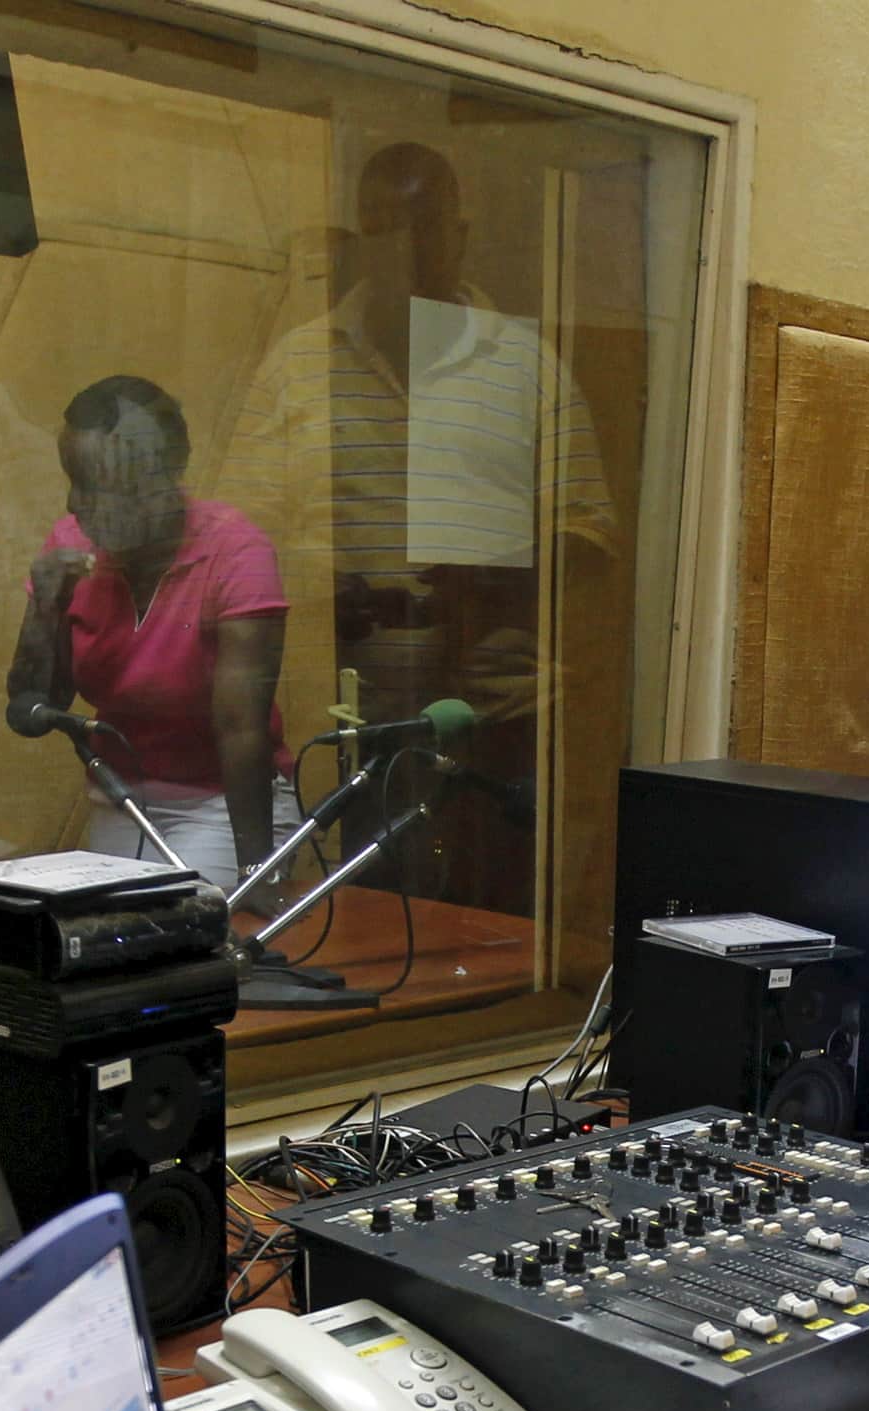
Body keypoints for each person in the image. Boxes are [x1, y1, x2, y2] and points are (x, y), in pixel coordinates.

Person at [210, 142, 615, 910]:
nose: (405, 248)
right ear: (363, 238)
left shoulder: (527, 365)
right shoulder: (298, 364)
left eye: (422, 227)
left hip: (496, 723)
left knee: (493, 947)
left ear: (458, 234)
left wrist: (490, 575)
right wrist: (333, 591)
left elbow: (589, 537)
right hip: (352, 730)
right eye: (385, 229)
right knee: (364, 937)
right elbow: (241, 541)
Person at [0, 376, 294, 886]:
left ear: (152, 481)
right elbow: (33, 709)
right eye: (71, 479)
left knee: (182, 921)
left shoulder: (236, 552)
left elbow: (241, 728)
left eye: (91, 483)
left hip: (224, 806)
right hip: (122, 802)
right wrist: (46, 607)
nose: (72, 504)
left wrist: (255, 871)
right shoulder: (70, 544)